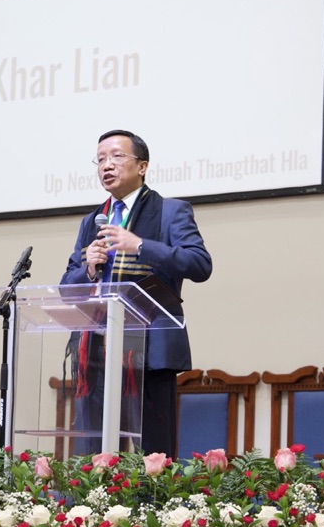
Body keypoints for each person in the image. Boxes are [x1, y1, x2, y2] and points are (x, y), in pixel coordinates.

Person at [60, 129, 212, 456]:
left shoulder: (171, 212)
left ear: (142, 166)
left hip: (149, 351)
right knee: (93, 455)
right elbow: (66, 289)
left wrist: (141, 245)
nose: (107, 165)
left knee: (152, 455)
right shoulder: (92, 221)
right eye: (100, 160)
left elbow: (200, 264)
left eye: (116, 156)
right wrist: (88, 269)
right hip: (96, 352)